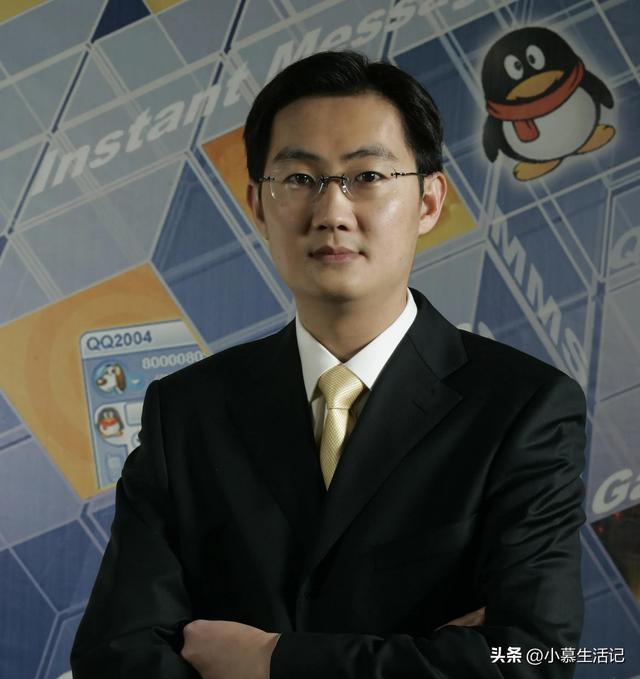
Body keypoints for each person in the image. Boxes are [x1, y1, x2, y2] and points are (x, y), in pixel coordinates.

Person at [71, 51, 586, 679]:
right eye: (299, 178)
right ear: (258, 205)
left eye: (367, 176)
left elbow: (537, 658)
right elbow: (115, 656)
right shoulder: (186, 411)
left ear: (429, 201)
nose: (332, 212)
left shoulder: (523, 407)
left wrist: (271, 661)